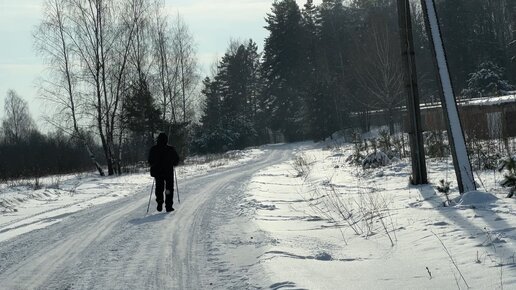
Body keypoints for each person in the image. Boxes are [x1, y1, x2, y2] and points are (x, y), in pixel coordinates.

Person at [148, 133, 180, 212]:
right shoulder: (170, 149)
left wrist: (154, 164)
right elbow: (176, 159)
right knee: (169, 189)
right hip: (168, 172)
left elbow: (150, 161)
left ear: (158, 139)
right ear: (166, 140)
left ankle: (159, 202)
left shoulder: (153, 149)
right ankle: (168, 206)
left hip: (158, 172)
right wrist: (173, 163)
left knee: (159, 188)